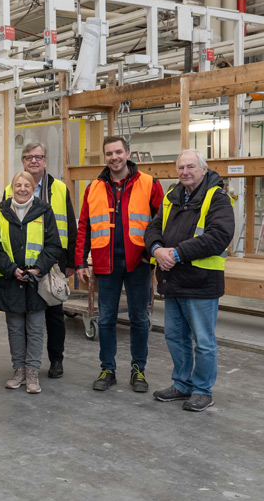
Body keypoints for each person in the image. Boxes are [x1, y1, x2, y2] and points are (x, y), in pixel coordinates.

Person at [145, 150, 234, 412]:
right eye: (181, 167)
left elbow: (219, 235)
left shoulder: (217, 198)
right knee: (175, 336)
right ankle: (182, 384)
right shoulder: (173, 197)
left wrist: (176, 253)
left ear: (204, 170)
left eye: (191, 167)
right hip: (173, 280)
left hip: (201, 282)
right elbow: (152, 228)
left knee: (203, 341)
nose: (185, 172)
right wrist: (157, 250)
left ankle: (202, 390)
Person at [75, 136, 164, 393]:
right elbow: (85, 227)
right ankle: (107, 368)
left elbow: (162, 222)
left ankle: (138, 370)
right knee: (105, 320)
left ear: (128, 153)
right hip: (106, 264)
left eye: (118, 152)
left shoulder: (150, 184)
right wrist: (81, 261)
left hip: (139, 263)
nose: (114, 157)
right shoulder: (93, 188)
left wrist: (155, 252)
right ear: (105, 157)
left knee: (139, 319)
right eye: (108, 154)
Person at [3, 143, 77, 379]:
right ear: (23, 161)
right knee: (23, 315)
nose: (34, 161)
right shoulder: (8, 190)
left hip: (53, 263)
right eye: (28, 157)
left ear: (45, 161)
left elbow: (71, 225)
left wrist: (72, 261)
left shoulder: (60, 189)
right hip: (20, 266)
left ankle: (56, 360)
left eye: (38, 157)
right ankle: (23, 365)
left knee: (54, 314)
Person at [0, 171, 62, 394]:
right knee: (15, 328)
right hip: (11, 279)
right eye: (18, 185)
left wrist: (39, 268)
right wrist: (12, 270)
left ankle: (32, 372)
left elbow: (53, 245)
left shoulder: (44, 211)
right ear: (12, 188)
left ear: (34, 188)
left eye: (27, 185)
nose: (22, 189)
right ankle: (18, 370)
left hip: (36, 281)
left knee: (34, 328)